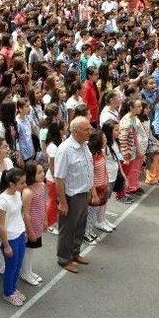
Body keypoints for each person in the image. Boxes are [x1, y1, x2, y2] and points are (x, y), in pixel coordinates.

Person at [54, 116, 94, 274]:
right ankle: (64, 258)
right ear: (76, 131)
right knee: (68, 229)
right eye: (87, 129)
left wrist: (90, 190)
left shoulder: (84, 145)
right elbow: (59, 178)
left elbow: (88, 169)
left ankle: (75, 253)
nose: (90, 132)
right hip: (72, 197)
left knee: (79, 226)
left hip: (84, 193)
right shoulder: (65, 150)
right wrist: (63, 202)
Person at [0, 167, 27, 306]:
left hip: (19, 234)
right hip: (10, 239)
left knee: (18, 265)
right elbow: (0, 225)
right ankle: (8, 293)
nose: (25, 185)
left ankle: (13, 289)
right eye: (22, 183)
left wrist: (23, 231)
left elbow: (18, 214)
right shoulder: (2, 201)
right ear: (12, 184)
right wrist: (6, 245)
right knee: (11, 267)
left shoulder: (18, 194)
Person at [21, 161, 46, 286]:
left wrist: (45, 220)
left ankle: (29, 270)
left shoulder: (42, 185)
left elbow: (43, 204)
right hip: (30, 226)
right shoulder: (27, 192)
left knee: (32, 250)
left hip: (38, 223)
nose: (43, 174)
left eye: (43, 171)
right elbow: (26, 214)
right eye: (39, 172)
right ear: (31, 175)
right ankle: (25, 272)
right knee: (28, 250)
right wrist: (29, 231)